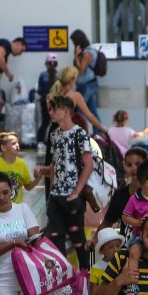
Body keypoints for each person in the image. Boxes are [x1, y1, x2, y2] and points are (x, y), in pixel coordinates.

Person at [42, 93, 96, 264]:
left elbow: (88, 164)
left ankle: (86, 277)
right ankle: (64, 277)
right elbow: (55, 165)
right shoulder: (54, 135)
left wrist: (77, 191)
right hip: (56, 195)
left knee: (78, 239)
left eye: (54, 109)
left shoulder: (79, 134)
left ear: (65, 111)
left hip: (73, 196)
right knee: (56, 240)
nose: (50, 112)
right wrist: (48, 184)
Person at [0, 129, 34, 204]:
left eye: (18, 143)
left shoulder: (22, 164)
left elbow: (28, 186)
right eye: (13, 143)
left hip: (16, 208)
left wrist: (38, 178)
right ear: (3, 147)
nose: (17, 145)